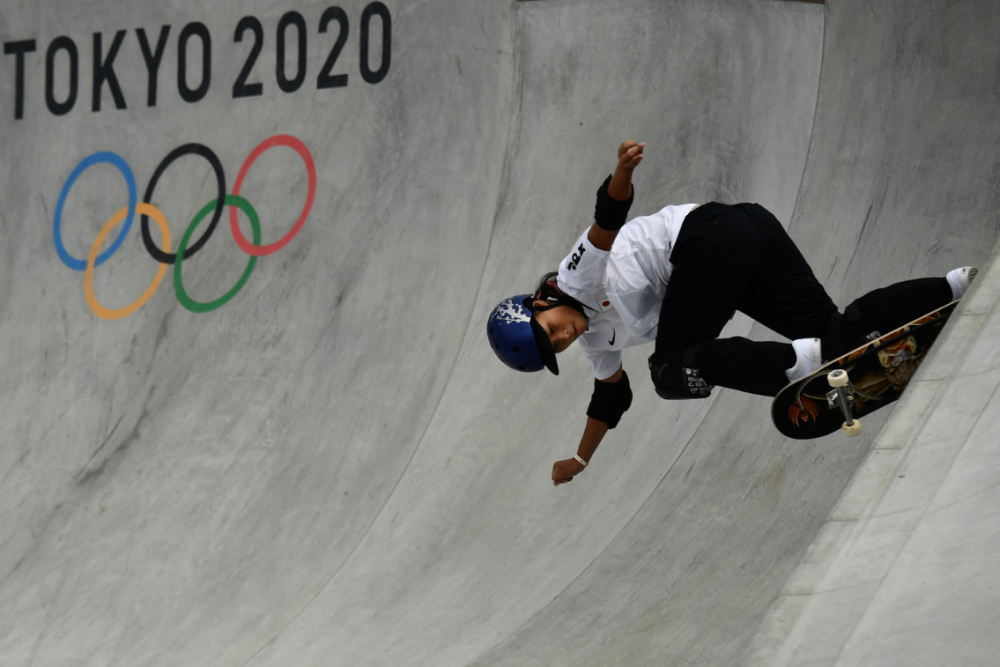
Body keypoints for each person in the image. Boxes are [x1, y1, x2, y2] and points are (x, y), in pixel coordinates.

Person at [486, 141, 977, 486]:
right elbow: (609, 399)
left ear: (541, 303)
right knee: (837, 338)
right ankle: (957, 286)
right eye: (559, 346)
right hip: (749, 233)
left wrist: (623, 170)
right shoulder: (595, 343)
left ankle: (798, 366)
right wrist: (579, 459)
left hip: (706, 239)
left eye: (553, 329)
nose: (567, 336)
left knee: (670, 370)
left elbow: (607, 219)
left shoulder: (574, 274)